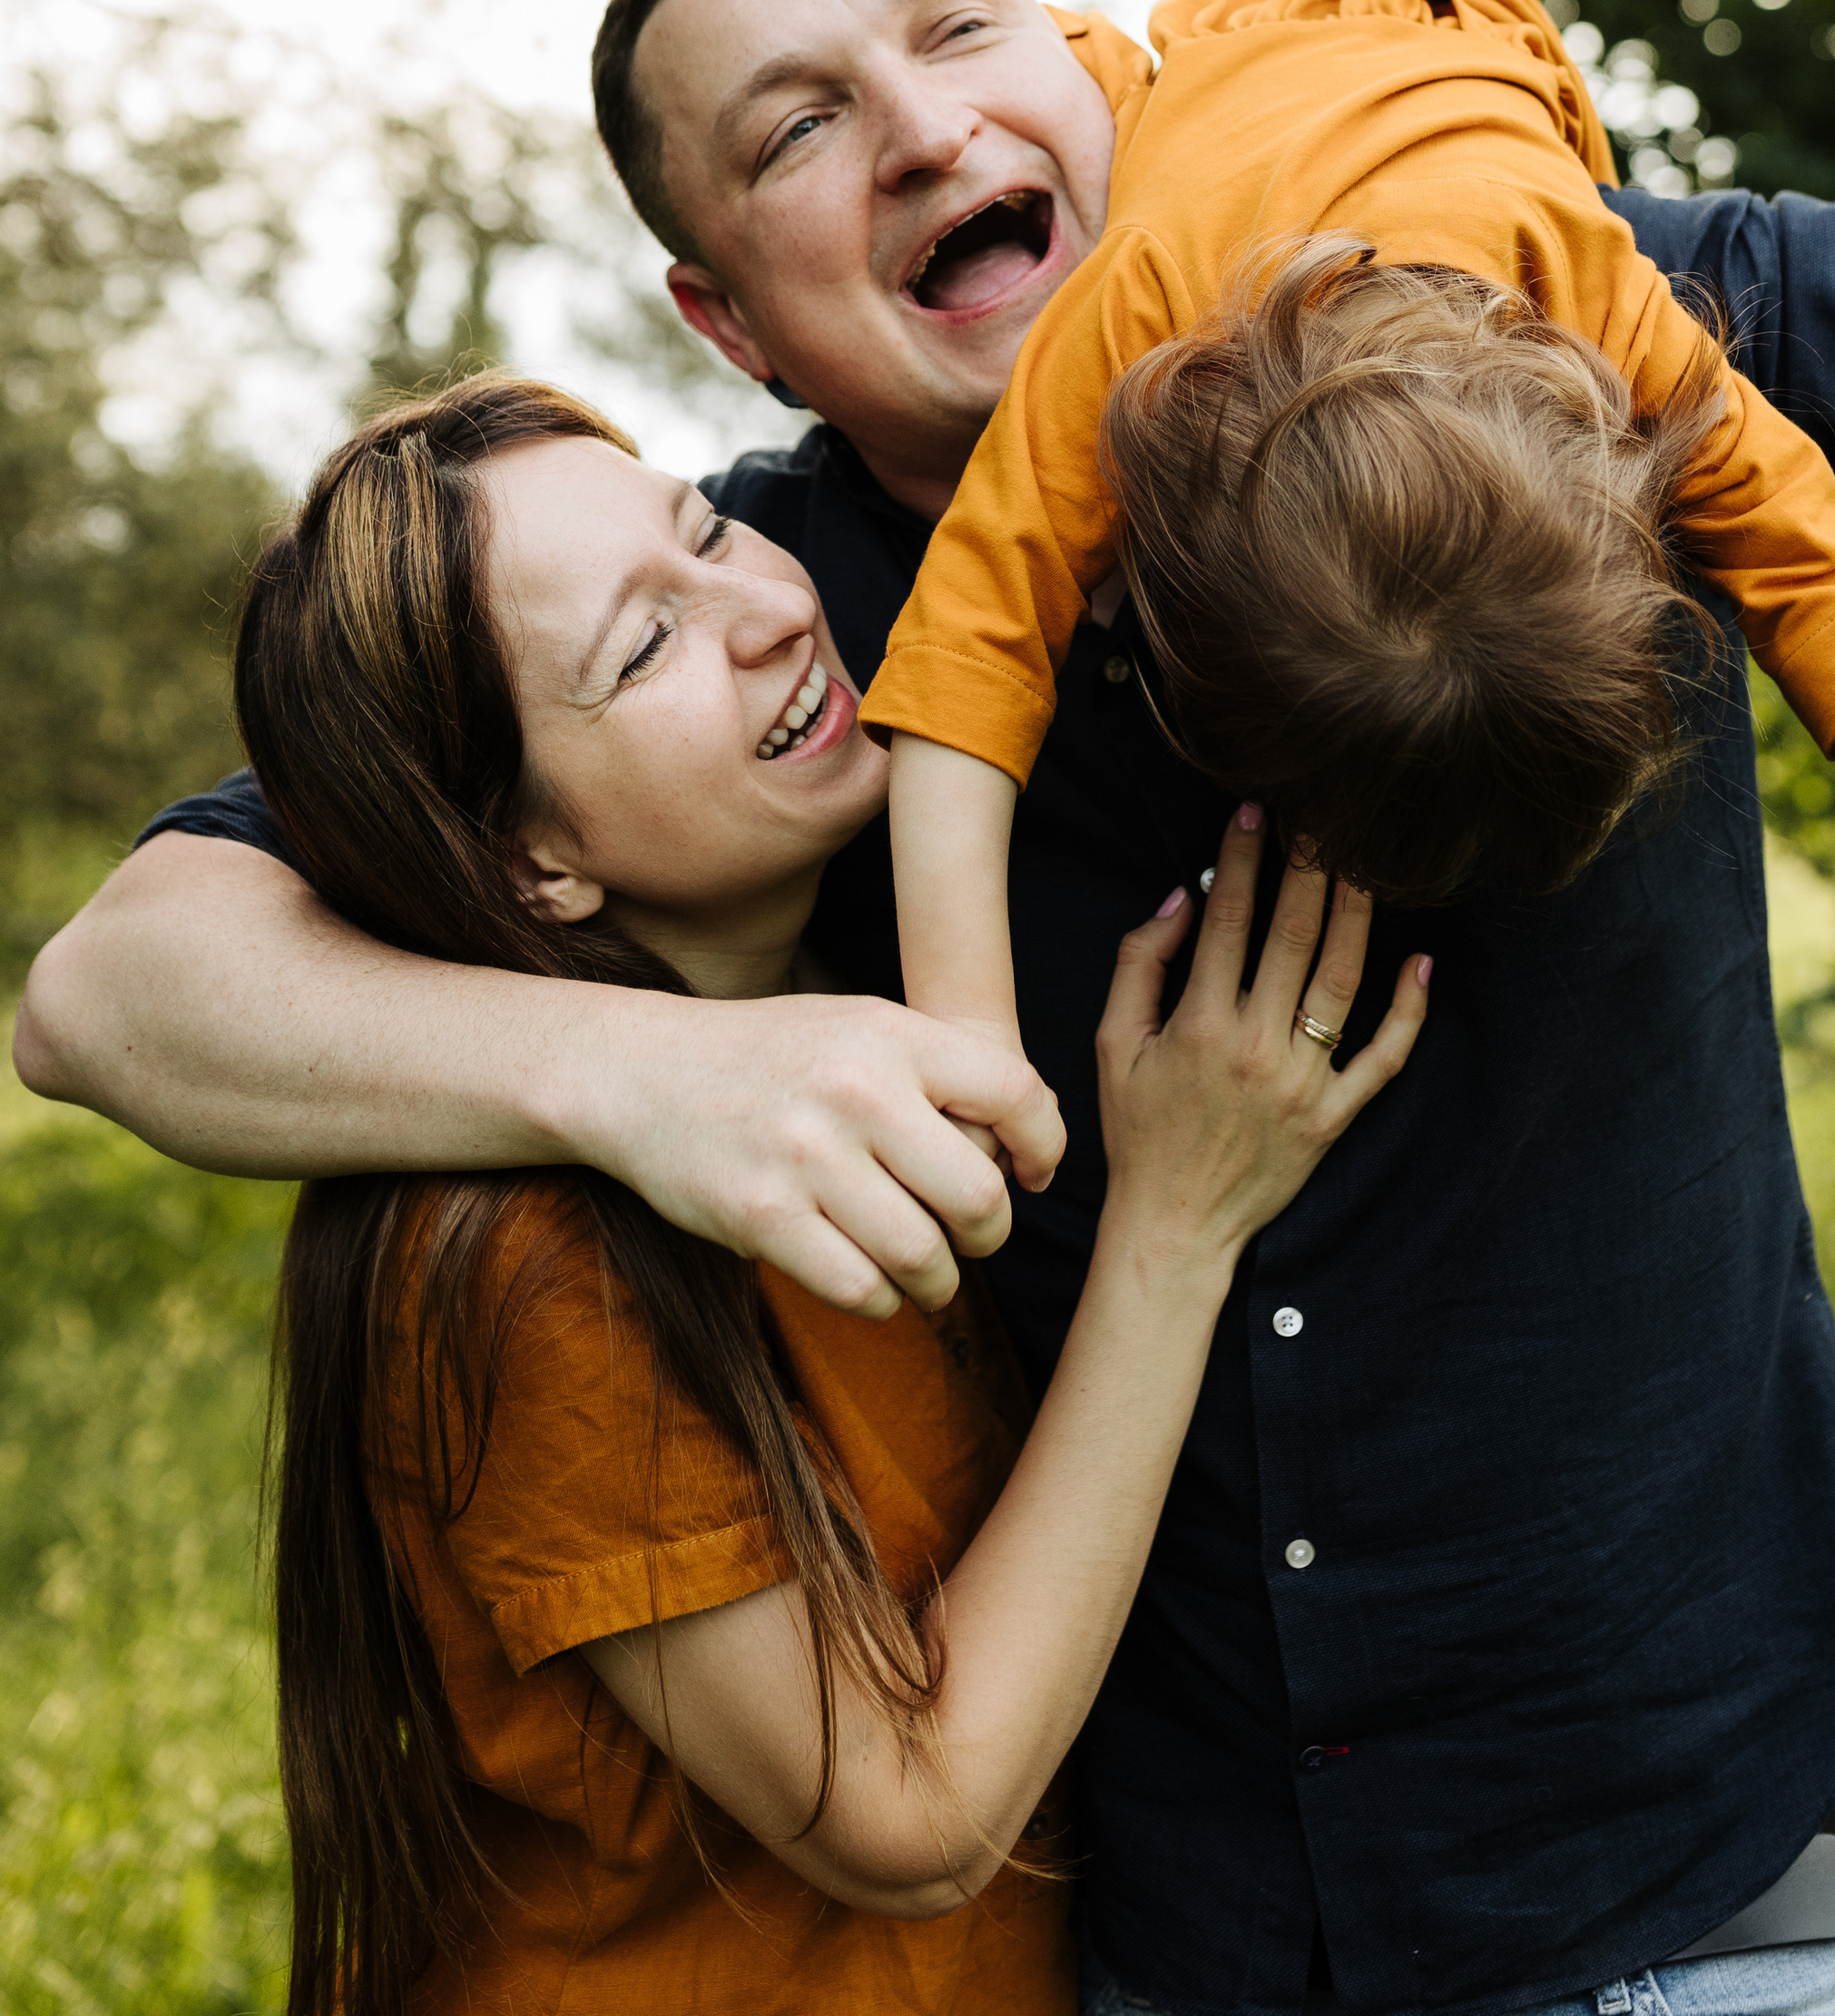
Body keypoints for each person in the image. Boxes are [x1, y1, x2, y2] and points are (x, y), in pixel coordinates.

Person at [15, 0, 1835, 2012]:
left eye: (958, 27)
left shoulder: (1519, 291)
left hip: (1708, 1916)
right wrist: (653, 1071)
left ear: (1080, 75)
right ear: (726, 315)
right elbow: (114, 988)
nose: (918, 127)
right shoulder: (777, 642)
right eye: (795, 126)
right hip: (1173, 1948)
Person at [240, 368, 1422, 2016]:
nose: (763, 613)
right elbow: (912, 1820)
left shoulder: (848, 1022)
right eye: (644, 646)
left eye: (711, 532)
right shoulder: (521, 1255)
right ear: (529, 861)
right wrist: (1179, 1221)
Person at [861, 0, 1835, 1077]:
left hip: (1429, 58)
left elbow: (967, 654)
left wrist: (968, 1028)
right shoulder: (1146, 295)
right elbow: (1822, 570)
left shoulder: (1580, 272)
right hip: (1286, 47)